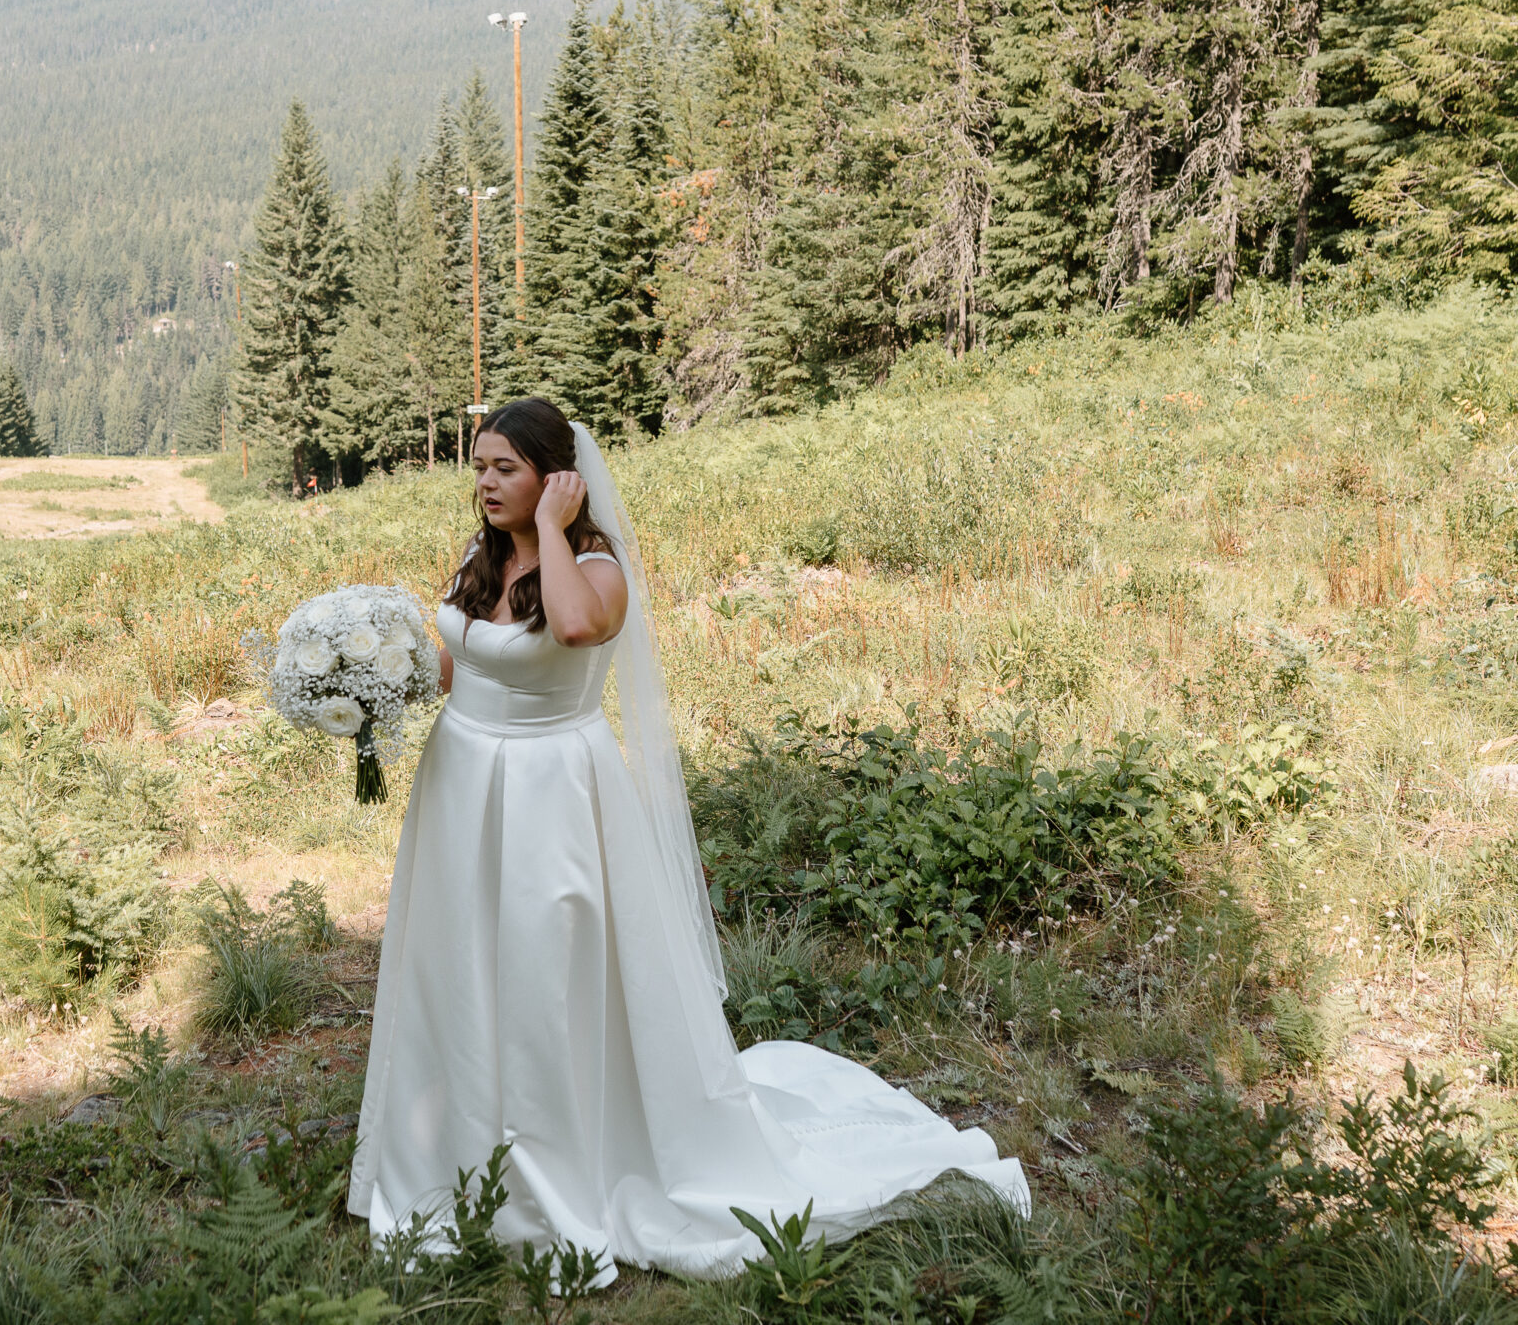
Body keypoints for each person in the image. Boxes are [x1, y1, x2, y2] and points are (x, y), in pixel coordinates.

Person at [348, 397, 1026, 1283]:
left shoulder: (596, 565)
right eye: (478, 466)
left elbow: (579, 625)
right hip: (462, 789)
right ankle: (452, 1157)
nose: (483, 482)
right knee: (458, 968)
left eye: (505, 468)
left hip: (552, 796)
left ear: (557, 477)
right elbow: (454, 666)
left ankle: (555, 1176)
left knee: (542, 976)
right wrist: (360, 688)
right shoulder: (478, 559)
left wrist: (552, 526)